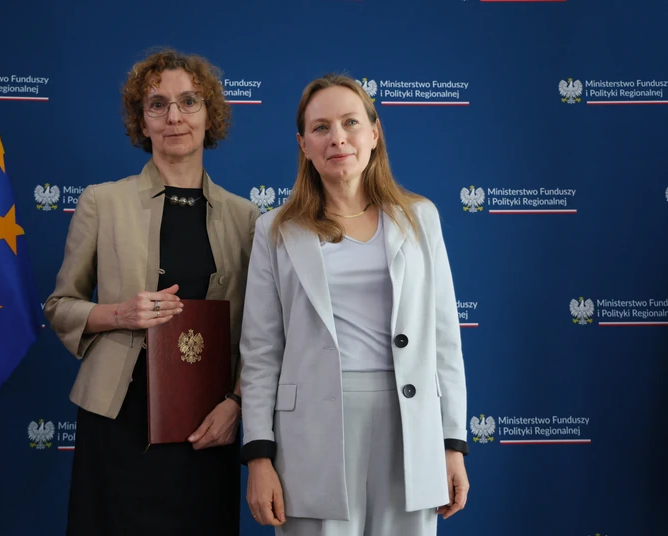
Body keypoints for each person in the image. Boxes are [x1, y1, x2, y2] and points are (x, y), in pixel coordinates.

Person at [239, 74, 470, 536]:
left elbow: (444, 339)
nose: (338, 138)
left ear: (374, 133)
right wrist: (259, 456)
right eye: (321, 127)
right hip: (310, 430)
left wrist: (452, 445)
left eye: (350, 122)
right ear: (303, 145)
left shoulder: (420, 218)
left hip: (410, 425)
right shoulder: (275, 230)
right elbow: (261, 352)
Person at [44, 49, 259, 536]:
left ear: (210, 116)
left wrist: (236, 404)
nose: (174, 116)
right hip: (116, 422)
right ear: (142, 122)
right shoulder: (101, 202)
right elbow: (60, 306)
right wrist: (119, 313)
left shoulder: (247, 218)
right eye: (157, 104)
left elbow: (260, 332)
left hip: (207, 425)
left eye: (189, 101)